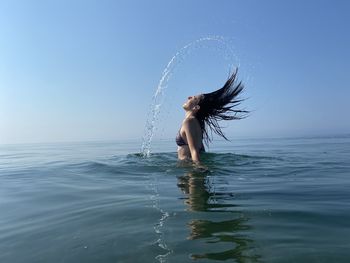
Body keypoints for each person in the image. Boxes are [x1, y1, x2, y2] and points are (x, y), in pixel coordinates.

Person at [176, 68, 248, 165]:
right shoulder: (195, 122)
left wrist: (199, 169)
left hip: (191, 172)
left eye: (193, 98)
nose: (189, 97)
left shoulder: (189, 122)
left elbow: (194, 152)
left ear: (196, 107)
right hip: (190, 171)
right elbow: (199, 149)